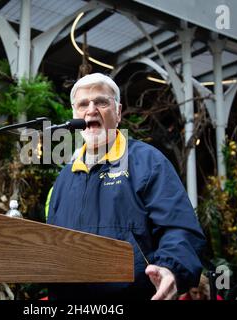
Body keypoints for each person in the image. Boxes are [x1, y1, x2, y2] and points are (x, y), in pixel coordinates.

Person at [47, 73, 205, 300]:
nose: (91, 110)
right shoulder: (64, 177)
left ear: (118, 112)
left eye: (101, 102)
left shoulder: (148, 162)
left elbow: (180, 228)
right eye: (83, 104)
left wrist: (171, 267)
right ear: (74, 115)